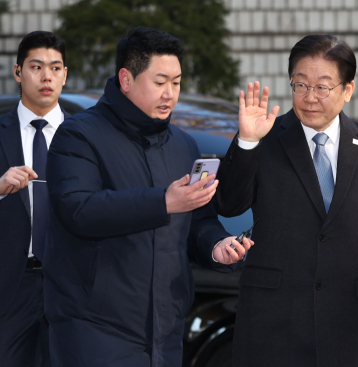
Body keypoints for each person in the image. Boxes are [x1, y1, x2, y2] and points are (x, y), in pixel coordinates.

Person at [44, 27, 252, 366]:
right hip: (94, 332)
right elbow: (78, 210)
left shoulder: (183, 144)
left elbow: (198, 220)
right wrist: (163, 202)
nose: (170, 94)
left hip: (166, 332)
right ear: (126, 79)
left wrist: (217, 246)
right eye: (160, 82)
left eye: (177, 82)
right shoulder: (78, 135)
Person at [213, 34, 358, 367]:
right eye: (300, 85)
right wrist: (247, 142)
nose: (309, 97)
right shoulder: (265, 137)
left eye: (323, 87)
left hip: (344, 319)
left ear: (348, 90)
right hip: (271, 322)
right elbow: (228, 204)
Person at [0, 31, 68, 367]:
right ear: (17, 72)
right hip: (11, 286)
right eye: (36, 67)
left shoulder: (85, 135)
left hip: (69, 284)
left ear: (65, 75)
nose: (46, 77)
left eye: (55, 68)